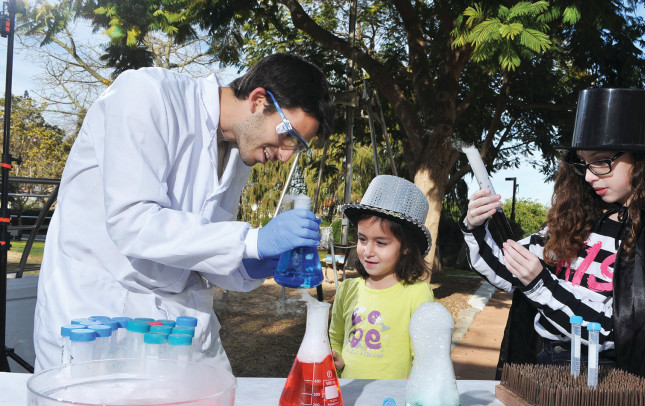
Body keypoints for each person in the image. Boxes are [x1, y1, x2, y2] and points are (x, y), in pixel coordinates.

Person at [33, 53, 335, 372]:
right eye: (288, 136)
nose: (286, 155)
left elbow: (198, 249)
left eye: (297, 146)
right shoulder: (147, 95)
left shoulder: (239, 152)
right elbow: (133, 223)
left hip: (178, 324)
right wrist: (252, 240)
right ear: (259, 100)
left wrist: (253, 263)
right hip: (101, 314)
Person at [461, 88, 645, 404]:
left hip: (608, 376)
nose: (591, 176)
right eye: (583, 164)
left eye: (602, 162)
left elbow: (619, 329)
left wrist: (540, 284)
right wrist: (475, 227)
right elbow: (509, 270)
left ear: (642, 160)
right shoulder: (576, 217)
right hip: (543, 360)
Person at [329, 175, 434, 379]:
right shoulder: (347, 289)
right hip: (349, 396)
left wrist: (416, 379)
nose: (368, 251)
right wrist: (336, 360)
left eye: (381, 243)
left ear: (406, 247)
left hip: (393, 402)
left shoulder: (417, 294)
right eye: (362, 239)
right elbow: (335, 338)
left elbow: (425, 355)